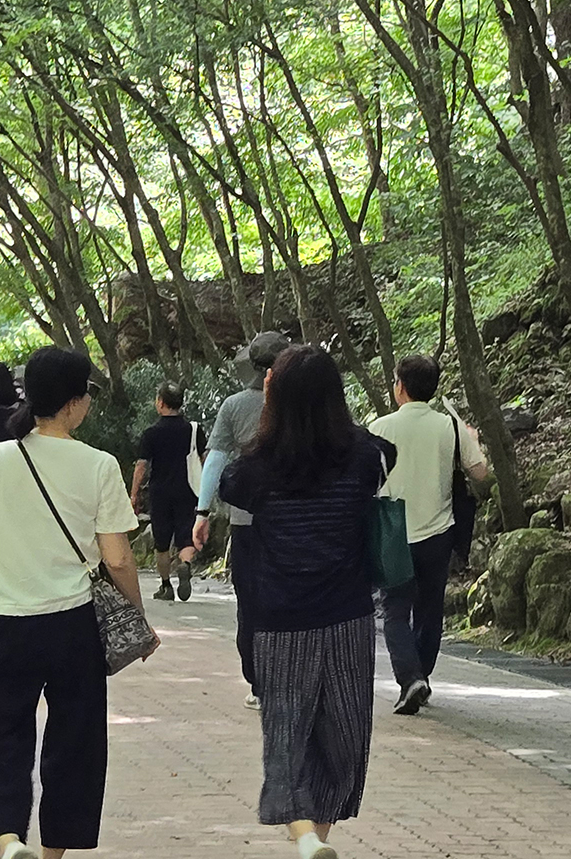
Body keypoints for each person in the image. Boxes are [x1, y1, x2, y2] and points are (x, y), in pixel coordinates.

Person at [0, 347, 152, 859]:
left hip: (5, 624)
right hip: (74, 626)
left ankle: (9, 837)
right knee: (75, 743)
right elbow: (120, 559)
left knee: (1, 738)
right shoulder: (100, 465)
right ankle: (52, 853)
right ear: (74, 403)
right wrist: (136, 618)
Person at [220, 345, 393, 859]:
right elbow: (383, 451)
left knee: (286, 735)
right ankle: (314, 837)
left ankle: (304, 836)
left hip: (279, 620)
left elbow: (231, 483)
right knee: (343, 739)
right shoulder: (365, 457)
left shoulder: (254, 470)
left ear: (274, 395)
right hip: (347, 617)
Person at [368, 355, 489, 714]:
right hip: (439, 531)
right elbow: (480, 473)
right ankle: (421, 675)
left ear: (399, 386)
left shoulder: (380, 427)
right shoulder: (449, 427)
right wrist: (472, 440)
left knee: (394, 609)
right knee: (430, 608)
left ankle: (411, 678)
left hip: (393, 530)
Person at [193, 331, 291, 709]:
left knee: (250, 600)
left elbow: (216, 459)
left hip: (247, 519)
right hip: (295, 519)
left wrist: (203, 512)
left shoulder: (234, 406)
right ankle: (289, 675)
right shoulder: (306, 402)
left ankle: (258, 681)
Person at [130, 382, 206, 601]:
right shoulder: (193, 430)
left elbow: (141, 466)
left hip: (160, 492)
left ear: (160, 403)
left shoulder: (151, 433)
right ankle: (185, 564)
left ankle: (166, 586)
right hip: (187, 490)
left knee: (161, 542)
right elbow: (204, 460)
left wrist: (134, 494)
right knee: (185, 536)